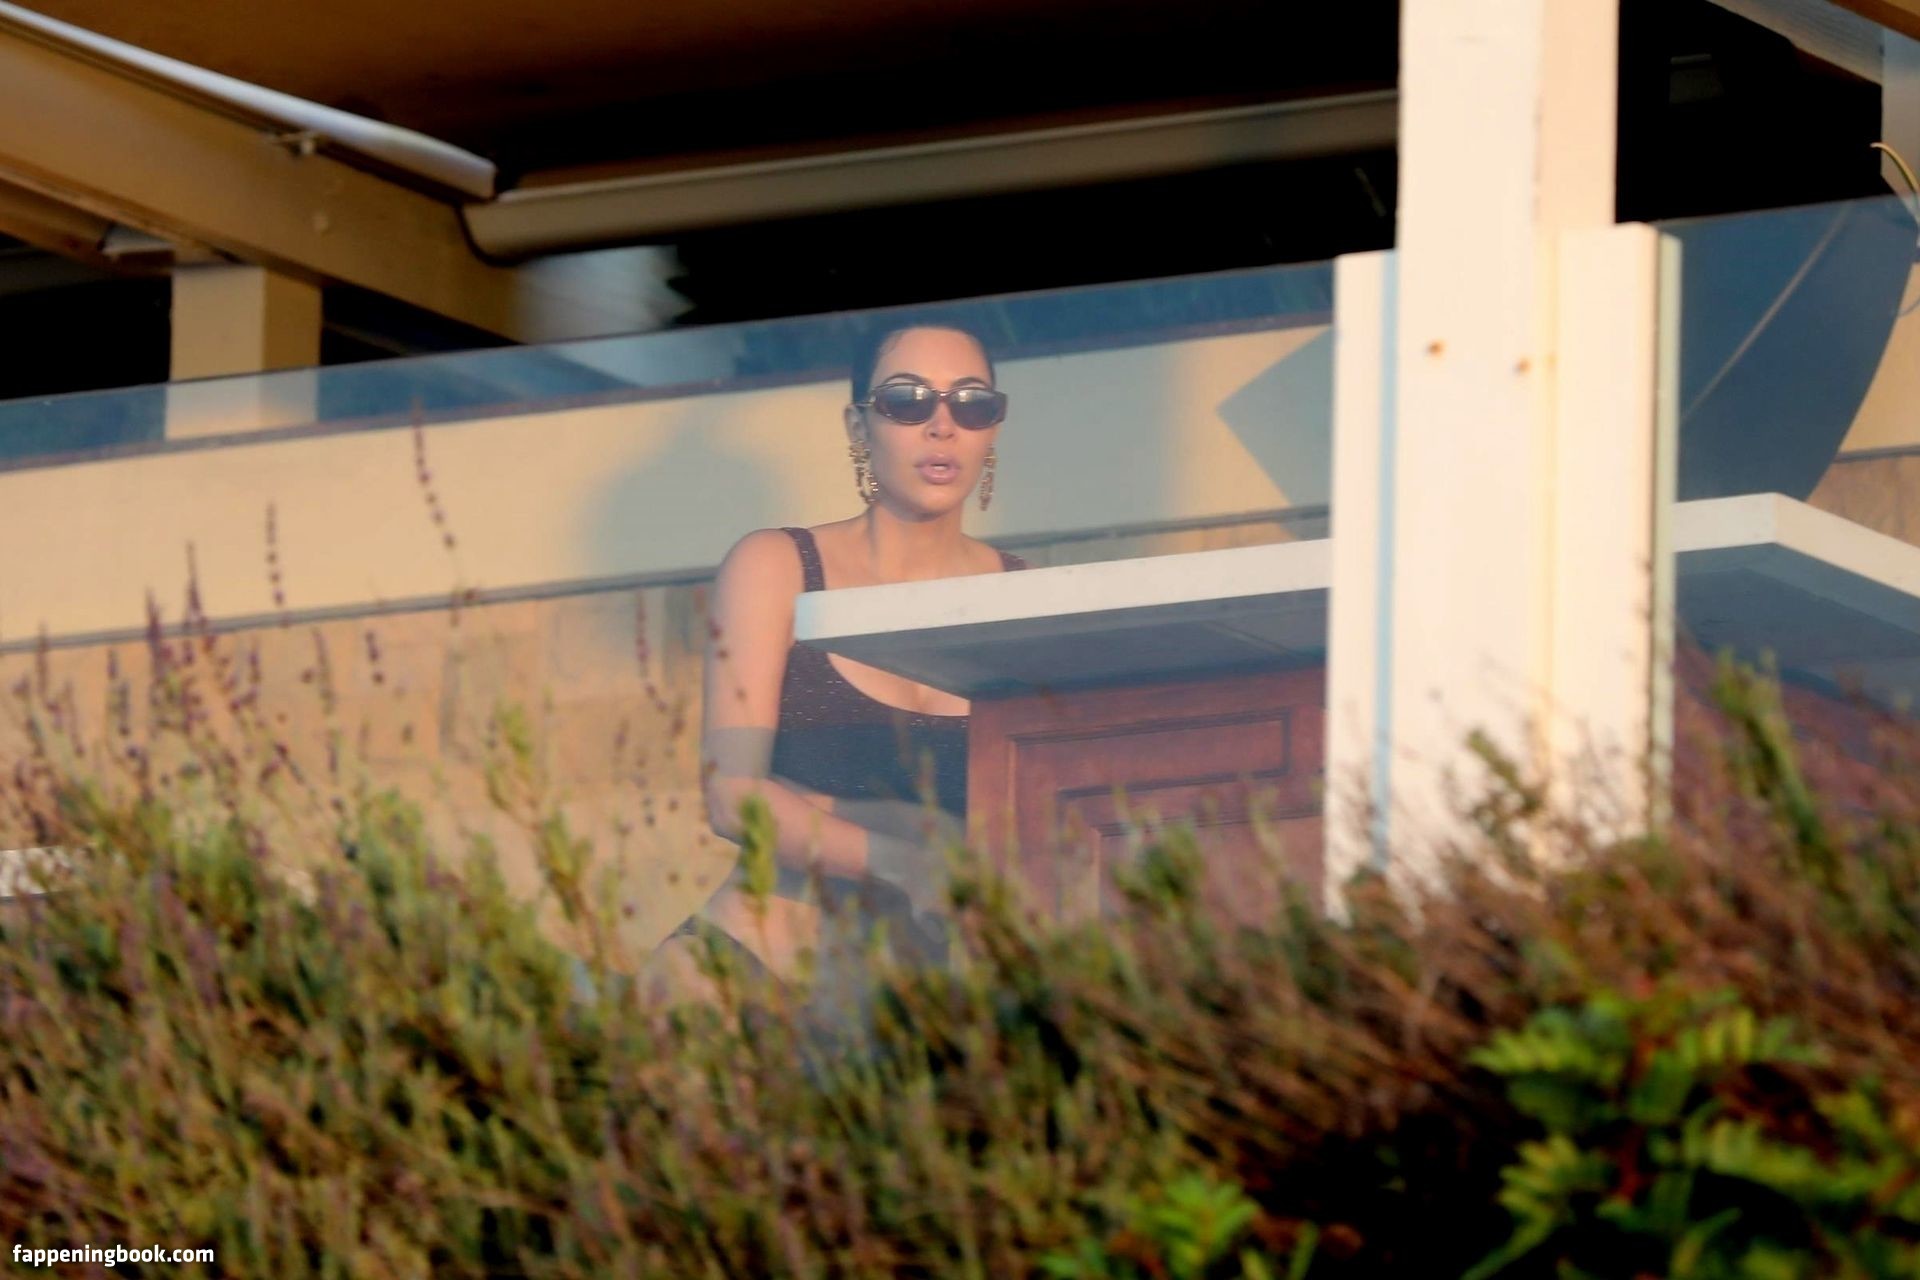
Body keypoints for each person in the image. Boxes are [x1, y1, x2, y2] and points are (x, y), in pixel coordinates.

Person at [649, 322, 1024, 997]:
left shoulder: (1024, 598)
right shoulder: (779, 566)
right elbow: (732, 796)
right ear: (859, 426)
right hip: (748, 978)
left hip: (906, 1013)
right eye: (907, 400)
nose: (942, 425)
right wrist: (905, 863)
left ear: (993, 429)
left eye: (971, 404)